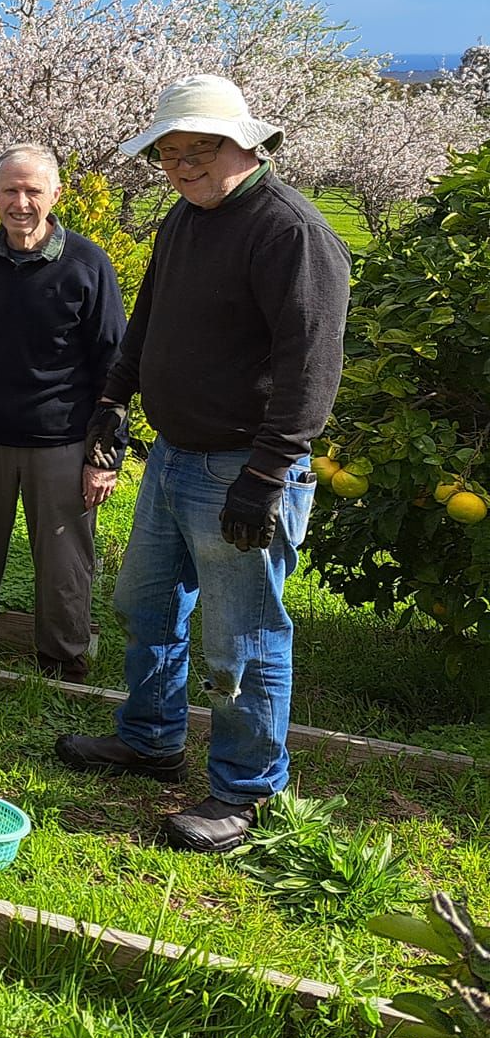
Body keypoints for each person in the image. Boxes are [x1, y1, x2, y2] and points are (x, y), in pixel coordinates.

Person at [56, 74, 350, 854]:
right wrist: (115, 400)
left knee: (243, 636)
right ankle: (151, 739)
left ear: (247, 144)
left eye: (202, 148)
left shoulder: (289, 232)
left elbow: (311, 364)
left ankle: (246, 791)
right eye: (170, 152)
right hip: (174, 456)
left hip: (243, 467)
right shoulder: (185, 222)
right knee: (146, 607)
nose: (184, 165)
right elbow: (147, 319)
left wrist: (268, 473)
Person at [0, 145, 126, 682]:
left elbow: (114, 368)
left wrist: (103, 456)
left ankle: (62, 659)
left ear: (55, 196)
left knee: (64, 564)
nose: (20, 202)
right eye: (9, 190)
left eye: (33, 191)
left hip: (60, 442)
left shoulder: (86, 264)